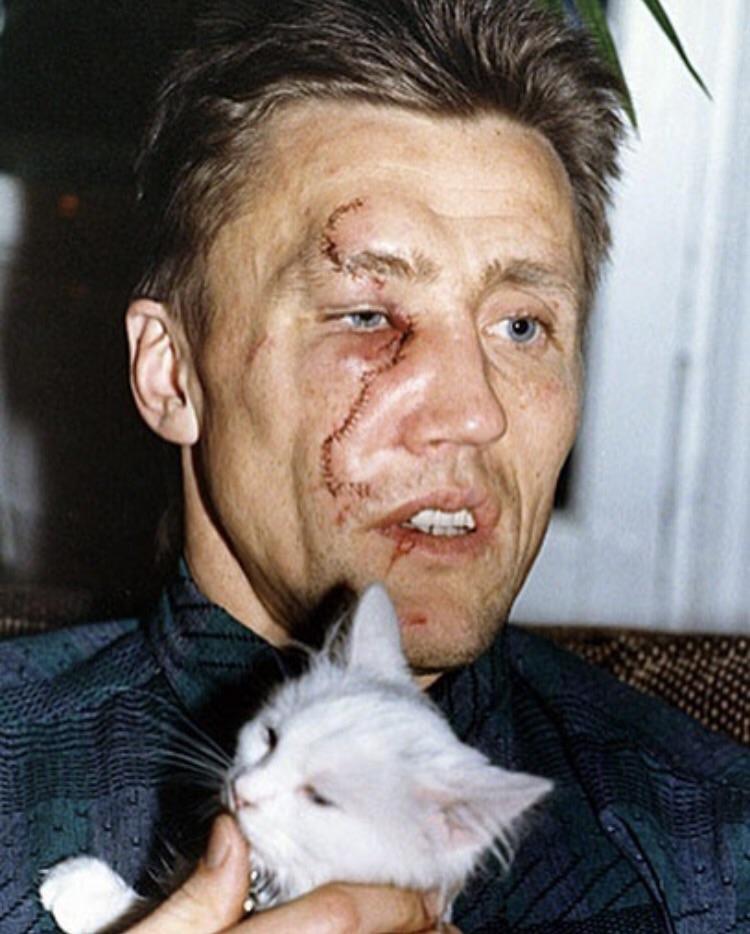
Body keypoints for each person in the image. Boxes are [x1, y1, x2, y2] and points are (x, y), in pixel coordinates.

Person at [1, 1, 749, 932]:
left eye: (521, 326)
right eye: (366, 316)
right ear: (171, 374)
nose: (474, 413)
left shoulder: (720, 860)